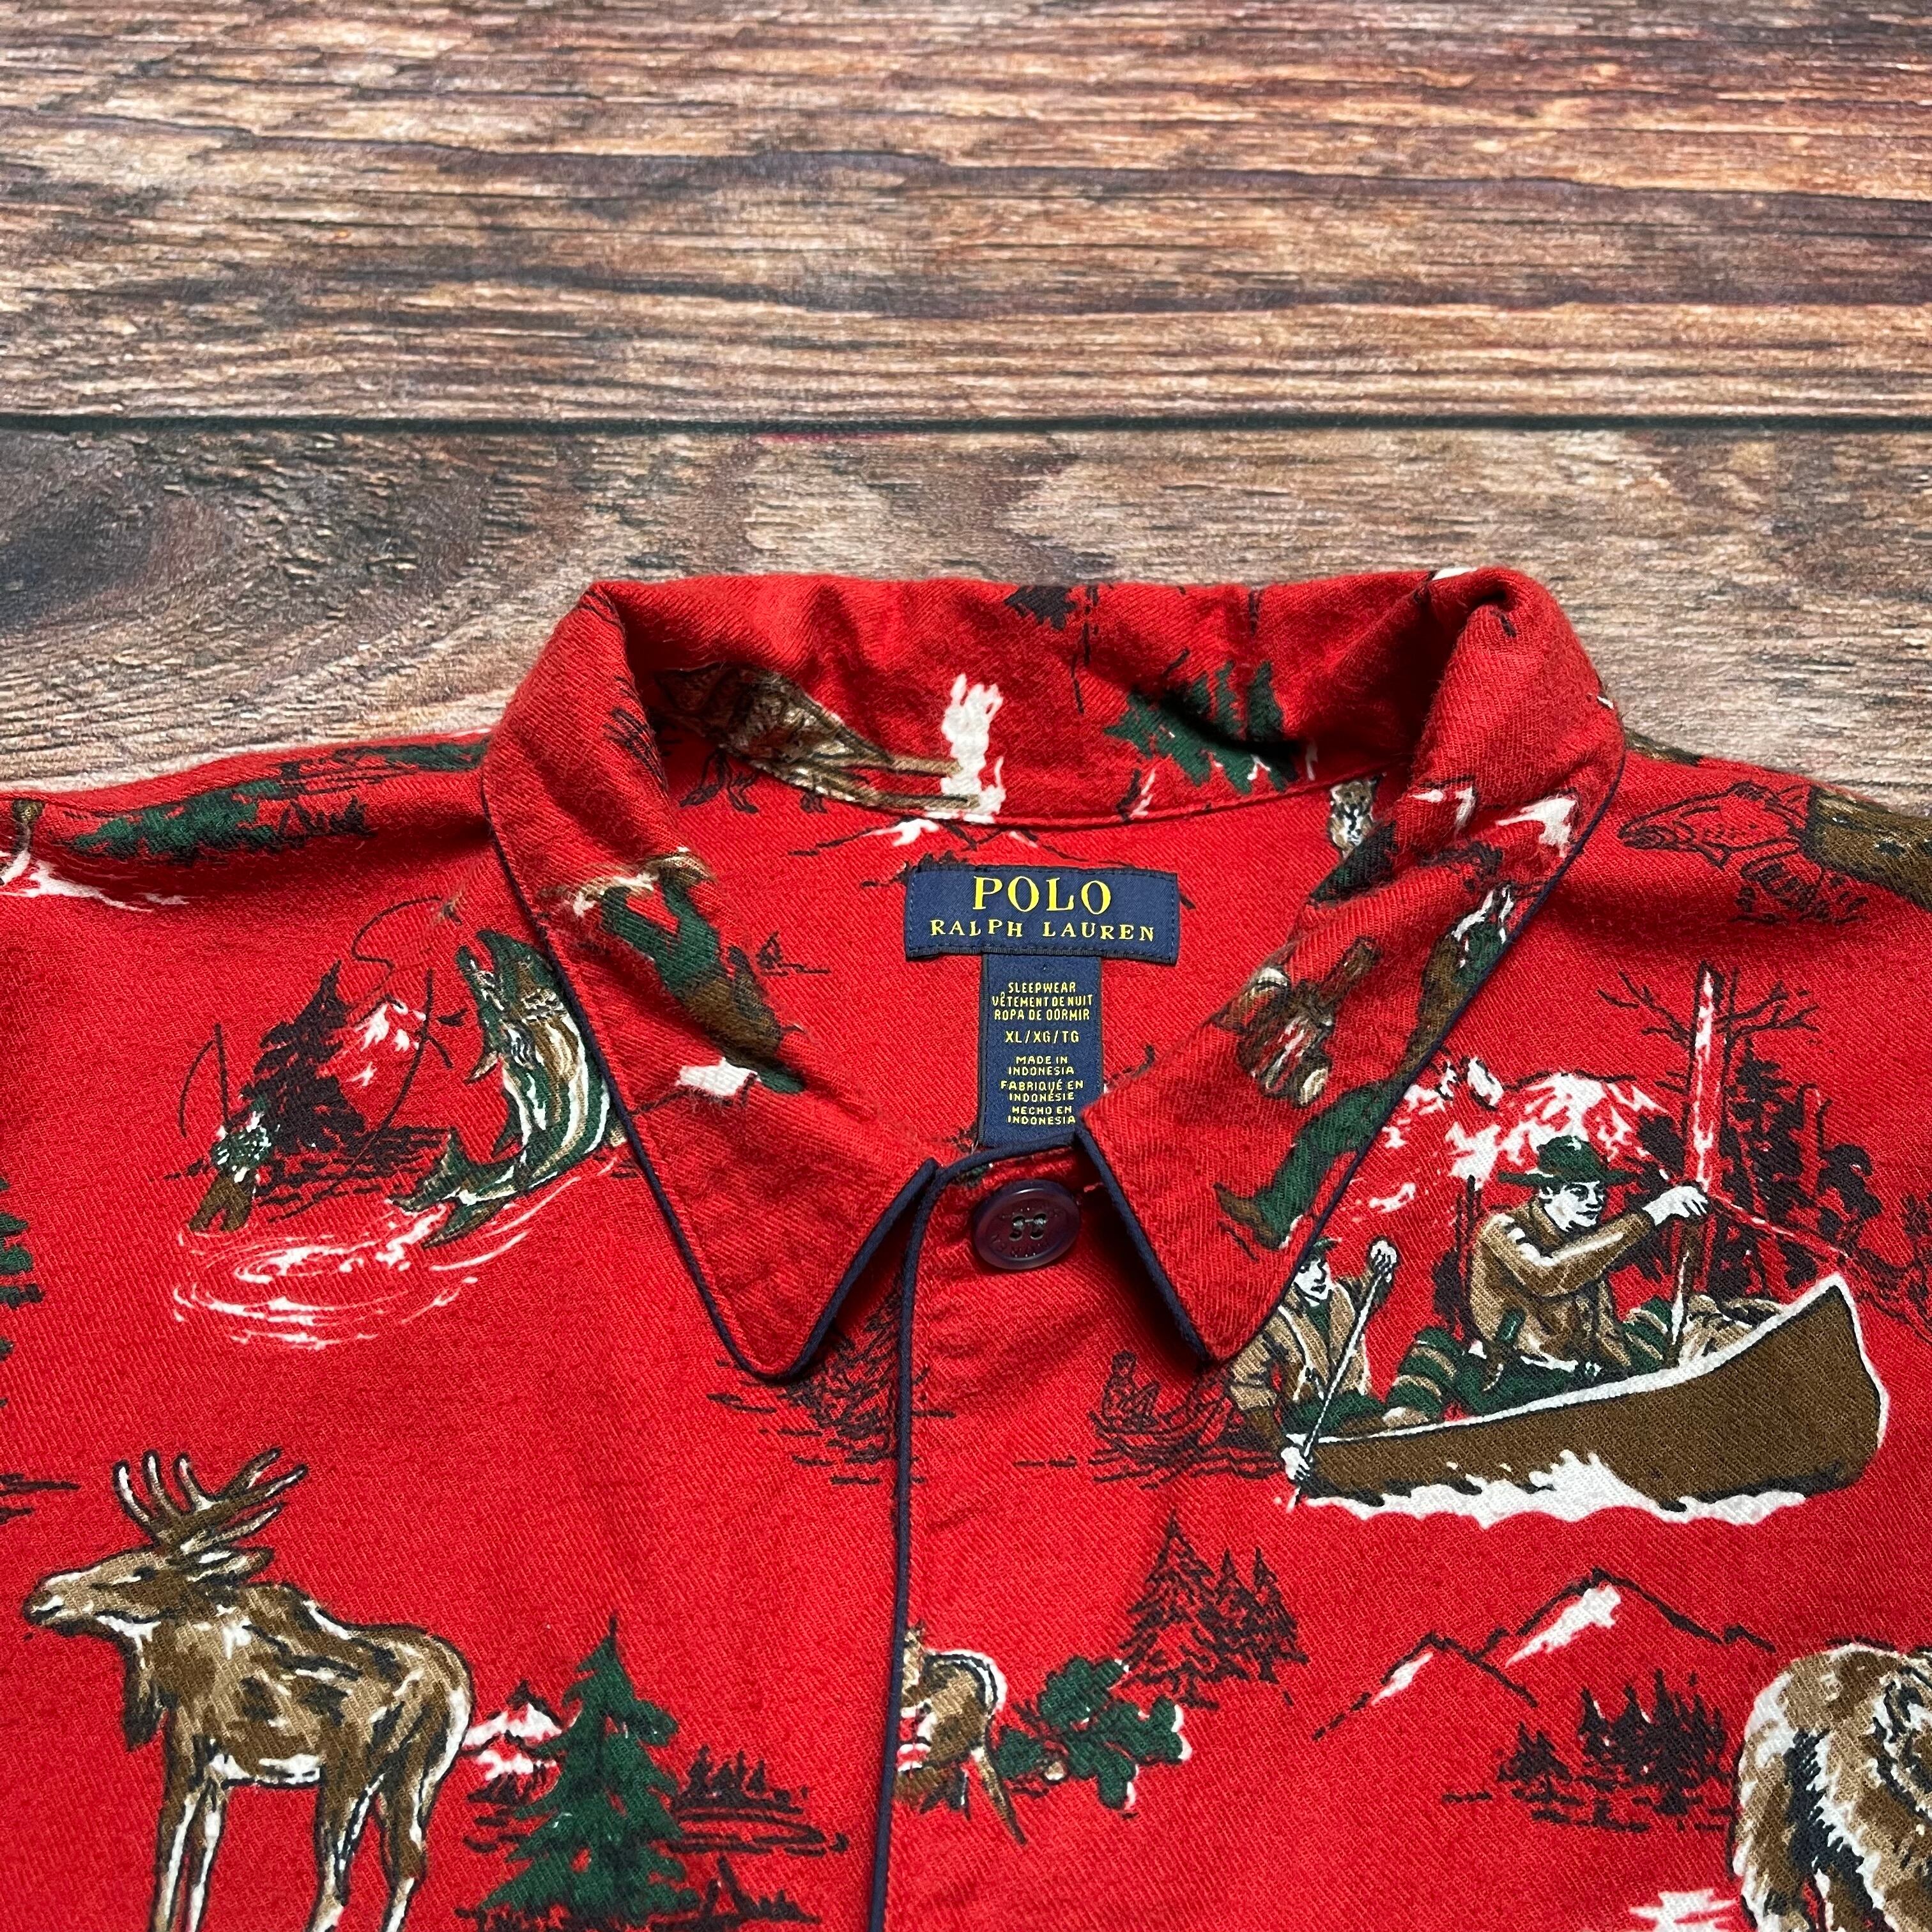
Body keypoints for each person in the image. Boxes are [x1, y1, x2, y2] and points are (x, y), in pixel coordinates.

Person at [1381, 1136, 1707, 1425]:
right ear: (1547, 1191)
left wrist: (1630, 1377)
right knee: (1435, 1349)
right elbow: (1548, 1275)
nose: (1595, 1201)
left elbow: (1605, 1331)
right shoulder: (1501, 1229)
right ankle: (1406, 1432)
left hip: (1580, 1384)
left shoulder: (1587, 1243)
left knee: (1673, 1318)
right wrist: (1655, 1212)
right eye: (1579, 1192)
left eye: (1599, 1191)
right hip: (1513, 1382)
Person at [1228, 1236, 1398, 1451]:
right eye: (1304, 1269)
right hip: (1310, 1420)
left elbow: (1371, 1288)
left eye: (1321, 1263)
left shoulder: (1343, 1295)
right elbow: (1248, 1385)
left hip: (1360, 1406)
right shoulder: (1274, 1320)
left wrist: (1381, 1262)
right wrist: (1280, 1444)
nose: (1318, 1275)